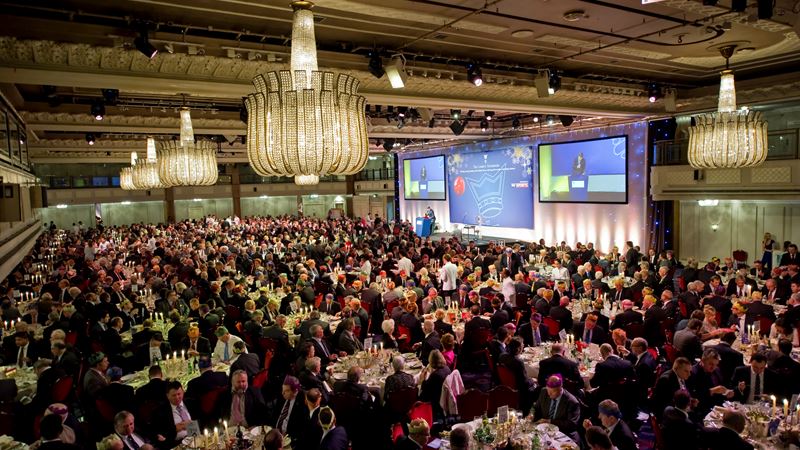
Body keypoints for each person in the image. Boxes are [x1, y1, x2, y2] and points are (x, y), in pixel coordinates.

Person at [531, 375, 581, 444]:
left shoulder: (572, 402)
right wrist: (531, 414)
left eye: (552, 392)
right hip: (544, 432)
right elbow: (536, 408)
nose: (549, 394)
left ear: (560, 388)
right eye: (548, 390)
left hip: (563, 434)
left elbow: (571, 425)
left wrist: (550, 421)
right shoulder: (544, 391)